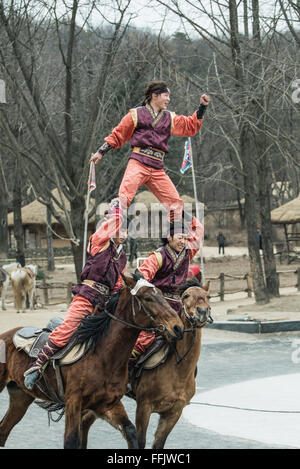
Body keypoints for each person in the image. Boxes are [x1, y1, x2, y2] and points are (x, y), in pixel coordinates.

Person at [24, 206, 128, 390]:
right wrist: (119, 207)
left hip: (106, 303)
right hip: (87, 297)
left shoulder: (123, 256)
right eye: (118, 228)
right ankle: (37, 365)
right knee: (66, 330)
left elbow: (119, 282)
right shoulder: (99, 242)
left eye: (125, 229)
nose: (122, 232)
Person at [90, 81, 210, 221]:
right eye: (166, 96)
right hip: (138, 161)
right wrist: (100, 151)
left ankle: (175, 237)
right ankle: (110, 227)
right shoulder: (135, 114)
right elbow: (118, 134)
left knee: (175, 204)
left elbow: (189, 126)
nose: (168, 99)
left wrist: (202, 107)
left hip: (158, 167)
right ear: (155, 95)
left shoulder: (169, 118)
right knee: (124, 197)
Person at [131, 213, 203, 357]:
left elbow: (199, 231)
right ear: (169, 238)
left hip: (179, 304)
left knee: (191, 336)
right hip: (160, 305)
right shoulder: (158, 256)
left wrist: (184, 214)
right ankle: (132, 370)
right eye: (179, 237)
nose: (183, 241)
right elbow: (143, 274)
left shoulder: (187, 253)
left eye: (185, 238)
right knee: (145, 341)